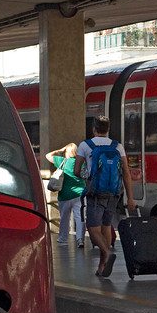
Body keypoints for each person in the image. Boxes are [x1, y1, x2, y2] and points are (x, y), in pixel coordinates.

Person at [74, 115, 136, 277]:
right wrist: (130, 197)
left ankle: (107, 254)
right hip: (114, 193)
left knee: (92, 228)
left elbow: (76, 171)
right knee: (106, 226)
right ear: (108, 130)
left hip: (96, 193)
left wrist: (87, 177)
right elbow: (126, 173)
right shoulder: (117, 146)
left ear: (93, 129)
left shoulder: (85, 145)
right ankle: (102, 266)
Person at [44, 143, 86, 247]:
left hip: (65, 195)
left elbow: (48, 156)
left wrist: (60, 150)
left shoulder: (62, 161)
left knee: (64, 217)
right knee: (80, 217)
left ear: (66, 152)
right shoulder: (82, 163)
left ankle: (63, 238)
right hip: (79, 194)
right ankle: (80, 239)